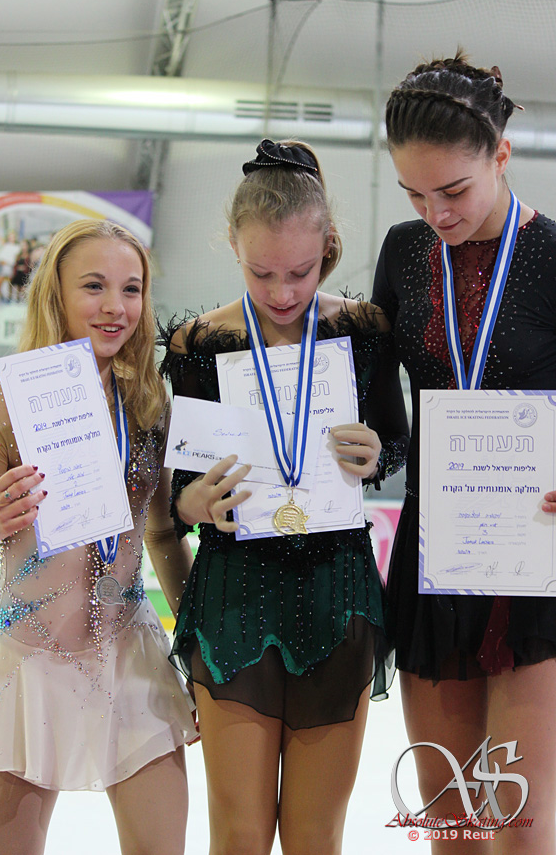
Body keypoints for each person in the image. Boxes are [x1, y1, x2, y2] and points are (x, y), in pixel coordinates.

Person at [160, 138, 409, 855]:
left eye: (299, 271)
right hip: (235, 590)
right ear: (232, 245)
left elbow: (396, 443)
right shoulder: (199, 345)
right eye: (260, 272)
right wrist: (194, 505)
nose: (280, 292)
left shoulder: (362, 331)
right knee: (239, 834)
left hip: (336, 587)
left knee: (314, 835)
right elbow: (181, 492)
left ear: (327, 245)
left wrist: (377, 454)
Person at [0, 219, 198, 855]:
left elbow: (163, 532)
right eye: (94, 286)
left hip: (131, 658)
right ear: (54, 294)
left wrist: (198, 638)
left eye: (131, 288)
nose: (116, 306)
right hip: (26, 666)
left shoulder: (149, 405)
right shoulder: (0, 411)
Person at [372, 52, 556, 854]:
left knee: (518, 816)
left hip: (536, 553)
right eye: (415, 193)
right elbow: (381, 413)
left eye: (453, 191)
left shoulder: (552, 257)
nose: (435, 213)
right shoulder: (403, 251)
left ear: (502, 155)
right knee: (448, 816)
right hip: (436, 550)